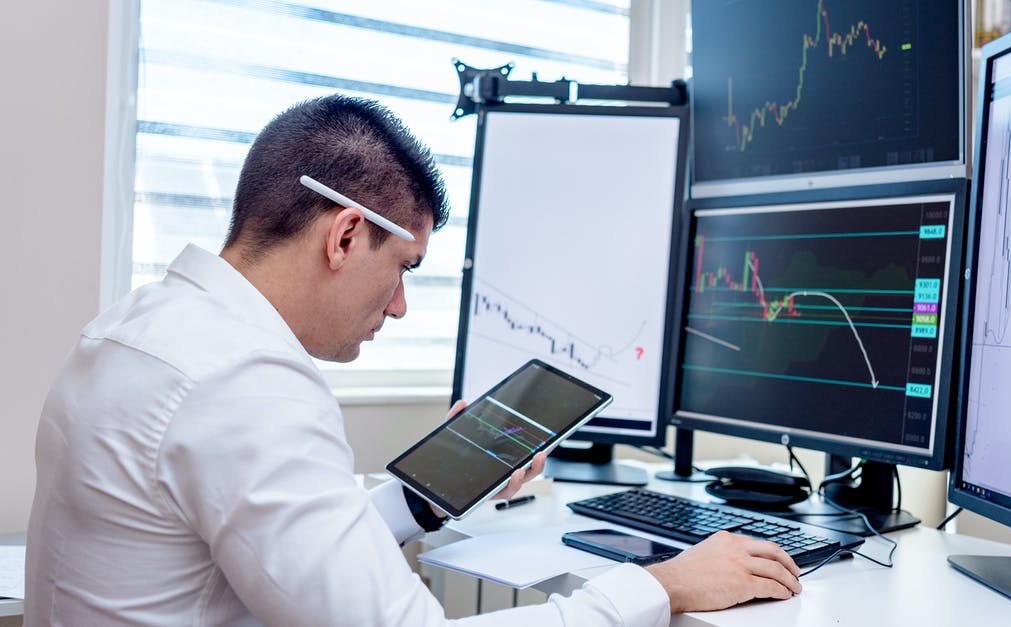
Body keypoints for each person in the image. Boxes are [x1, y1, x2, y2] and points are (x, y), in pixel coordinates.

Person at [25, 94, 802, 626]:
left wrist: (423, 495)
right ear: (343, 236)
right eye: (404, 268)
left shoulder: (139, 330)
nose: (399, 306)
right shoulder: (247, 386)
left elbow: (279, 546)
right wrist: (658, 587)